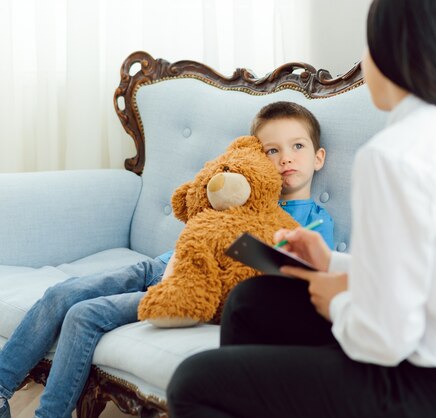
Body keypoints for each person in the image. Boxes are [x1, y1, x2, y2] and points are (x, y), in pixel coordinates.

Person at [165, 0, 436, 417]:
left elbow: (383, 340)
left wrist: (337, 303)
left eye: (368, 48)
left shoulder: (394, 154)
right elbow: (430, 276)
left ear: (392, 53)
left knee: (193, 382)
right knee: (250, 302)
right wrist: (330, 263)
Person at [0, 101, 333, 418]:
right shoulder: (239, 189)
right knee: (61, 293)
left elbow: (296, 281)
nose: (285, 158)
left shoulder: (315, 225)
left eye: (298, 147)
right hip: (159, 264)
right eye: (272, 150)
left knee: (84, 314)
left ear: (318, 157)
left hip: (186, 288)